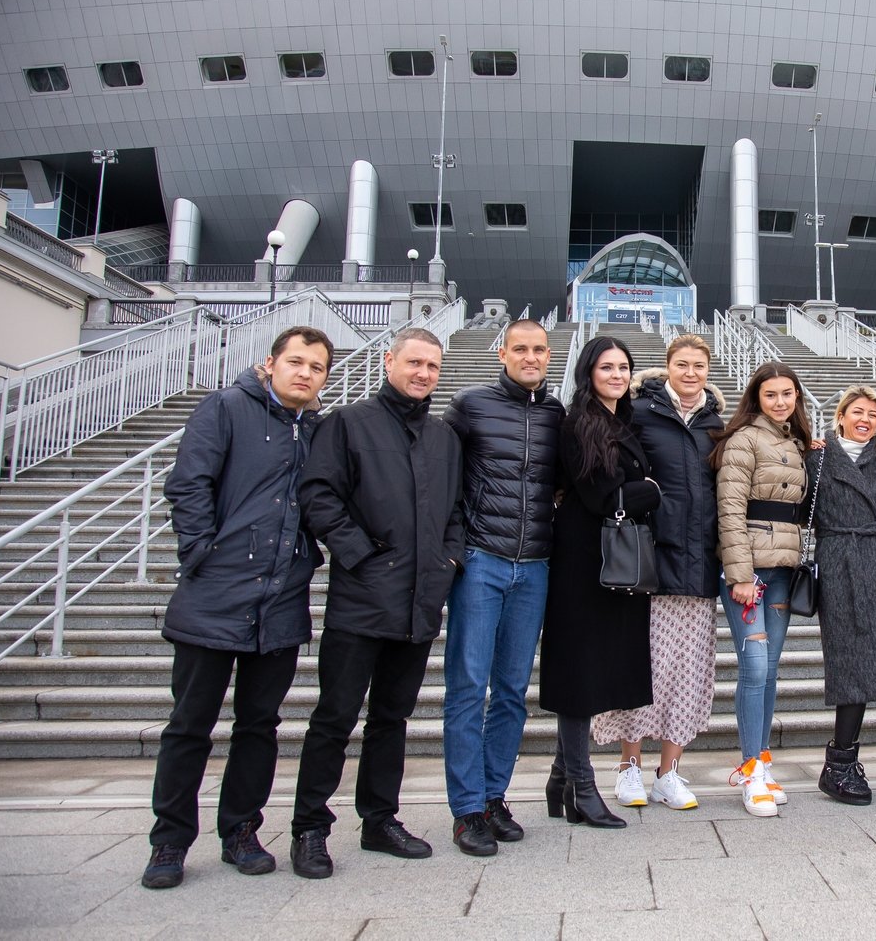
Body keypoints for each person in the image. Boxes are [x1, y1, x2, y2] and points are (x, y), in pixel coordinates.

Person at [142, 326, 333, 890]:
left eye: (316, 367)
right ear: (270, 364)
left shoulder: (316, 429)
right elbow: (188, 484)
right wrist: (202, 551)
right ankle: (170, 840)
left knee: (259, 725)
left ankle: (241, 831)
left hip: (281, 600)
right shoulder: (225, 408)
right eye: (295, 361)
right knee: (189, 724)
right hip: (215, 595)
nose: (304, 373)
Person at [290, 327, 465, 878]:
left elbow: (456, 512)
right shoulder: (348, 423)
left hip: (419, 600)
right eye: (414, 362)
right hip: (361, 598)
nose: (423, 374)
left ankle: (379, 819)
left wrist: (448, 560)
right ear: (390, 361)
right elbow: (319, 494)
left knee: (392, 717)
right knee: (335, 716)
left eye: (432, 366)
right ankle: (310, 828)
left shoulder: (443, 437)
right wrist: (360, 555)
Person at [441, 319, 564, 856]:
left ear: (549, 354)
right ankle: (467, 808)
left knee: (512, 691)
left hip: (534, 566)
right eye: (521, 349)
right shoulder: (470, 405)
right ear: (502, 353)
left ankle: (493, 797)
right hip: (482, 562)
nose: (530, 357)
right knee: (469, 687)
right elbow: (441, 475)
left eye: (539, 350)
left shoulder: (557, 413)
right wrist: (455, 546)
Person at [596, 334, 726, 811]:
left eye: (699, 366)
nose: (691, 373)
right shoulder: (638, 413)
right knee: (640, 668)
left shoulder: (717, 425)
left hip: (699, 563)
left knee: (688, 674)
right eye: (682, 364)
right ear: (667, 366)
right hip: (648, 561)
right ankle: (628, 766)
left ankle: (668, 773)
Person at [539, 336, 660, 829]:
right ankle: (582, 788)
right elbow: (601, 498)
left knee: (594, 670)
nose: (616, 375)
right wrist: (650, 491)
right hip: (583, 562)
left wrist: (637, 490)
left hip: (617, 562)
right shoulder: (578, 423)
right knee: (579, 675)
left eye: (623, 367)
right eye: (607, 367)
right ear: (588, 371)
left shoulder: (622, 422)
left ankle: (560, 779)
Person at [714, 361, 816, 818]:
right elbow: (730, 509)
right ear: (756, 398)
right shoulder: (743, 439)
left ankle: (762, 760)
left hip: (784, 569)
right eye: (770, 394)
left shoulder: (795, 441)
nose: (780, 401)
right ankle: (749, 767)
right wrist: (738, 574)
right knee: (754, 667)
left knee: (770, 668)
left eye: (787, 394)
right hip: (750, 571)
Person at [811, 385, 876, 804]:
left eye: (872, 415)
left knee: (866, 664)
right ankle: (839, 764)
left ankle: (843, 761)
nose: (865, 420)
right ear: (841, 416)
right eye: (858, 412)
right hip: (839, 566)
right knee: (850, 663)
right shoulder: (818, 457)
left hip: (875, 564)